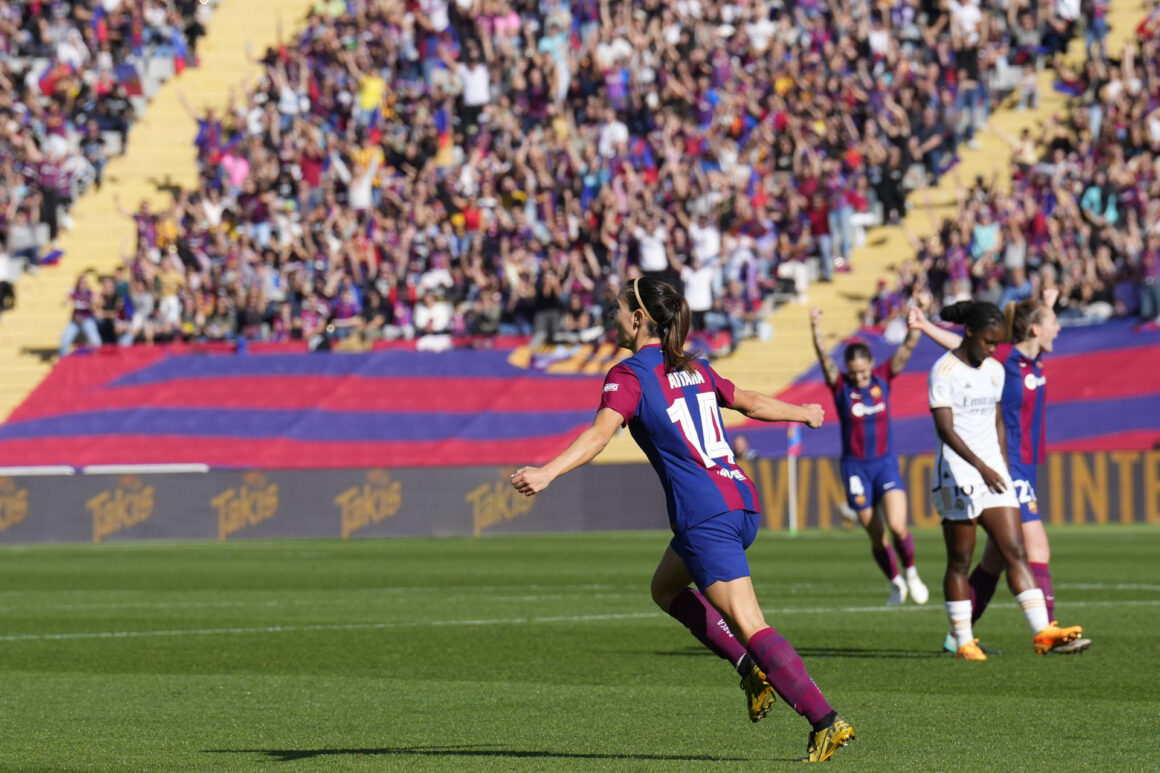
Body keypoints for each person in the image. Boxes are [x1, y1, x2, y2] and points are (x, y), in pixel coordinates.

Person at [511, 278, 854, 762]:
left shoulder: (628, 374)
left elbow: (599, 435)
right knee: (664, 590)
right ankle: (750, 670)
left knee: (749, 621)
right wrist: (805, 413)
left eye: (617, 308)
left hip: (704, 514)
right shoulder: (694, 367)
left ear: (639, 318)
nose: (612, 315)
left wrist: (547, 472)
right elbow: (750, 402)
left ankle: (825, 719)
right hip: (739, 501)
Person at [909, 294, 1092, 655]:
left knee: (1014, 550)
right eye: (989, 341)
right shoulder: (946, 371)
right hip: (959, 475)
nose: (994, 349)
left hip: (999, 472)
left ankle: (1044, 632)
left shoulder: (999, 367)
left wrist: (1003, 466)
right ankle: (962, 640)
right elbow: (946, 428)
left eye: (998, 342)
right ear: (972, 333)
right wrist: (982, 465)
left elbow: (997, 422)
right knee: (961, 560)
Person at [809, 307, 930, 605]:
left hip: (885, 464)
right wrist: (816, 331)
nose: (860, 377)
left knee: (899, 525)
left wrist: (919, 319)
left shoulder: (883, 379)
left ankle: (912, 571)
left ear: (871, 365)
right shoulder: (841, 388)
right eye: (855, 373)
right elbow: (825, 362)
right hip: (855, 469)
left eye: (864, 371)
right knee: (877, 536)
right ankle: (895, 582)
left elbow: (908, 346)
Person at [60, 272, 102, 357]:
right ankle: (63, 360)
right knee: (65, 341)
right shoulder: (74, 292)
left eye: (84, 282)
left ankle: (98, 360)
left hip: (87, 319)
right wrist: (67, 299)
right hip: (75, 320)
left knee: (96, 342)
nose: (82, 284)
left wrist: (95, 304)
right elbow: (65, 302)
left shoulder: (90, 293)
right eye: (81, 282)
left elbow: (99, 303)